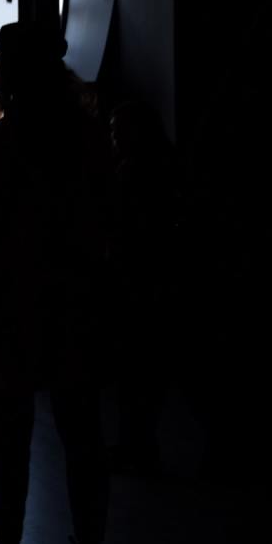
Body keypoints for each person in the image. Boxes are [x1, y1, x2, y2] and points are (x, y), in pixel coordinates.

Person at [0, 20, 113, 544]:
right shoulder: (92, 141)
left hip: (10, 300)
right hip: (76, 296)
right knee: (82, 434)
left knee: (7, 436)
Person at [104, 99, 178, 476]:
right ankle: (140, 444)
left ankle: (135, 444)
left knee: (133, 374)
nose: (114, 135)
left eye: (118, 128)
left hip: (131, 285)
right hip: (149, 284)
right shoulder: (158, 171)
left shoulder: (128, 174)